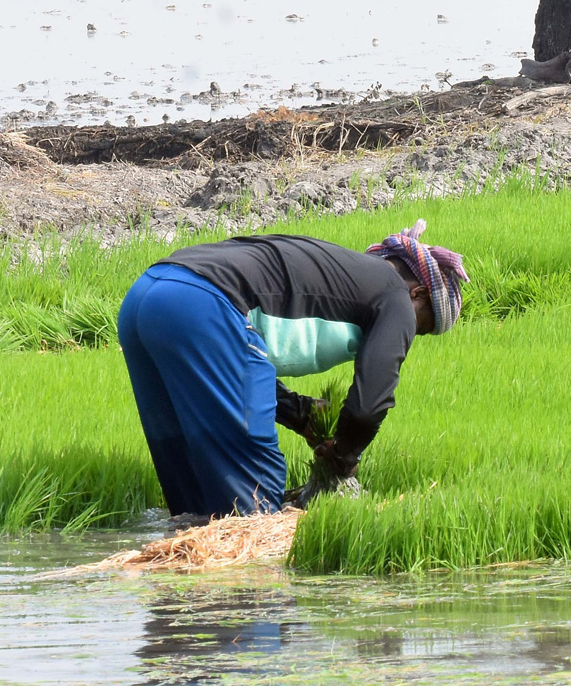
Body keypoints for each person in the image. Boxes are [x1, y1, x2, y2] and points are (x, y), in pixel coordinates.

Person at [117, 220, 468, 518]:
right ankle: (255, 594)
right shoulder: (395, 295)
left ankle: (186, 592)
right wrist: (343, 455)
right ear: (418, 294)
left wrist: (300, 413)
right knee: (254, 497)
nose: (410, 334)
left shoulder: (342, 271)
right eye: (421, 327)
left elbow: (231, 361)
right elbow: (367, 407)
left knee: (191, 491)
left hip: (147, 295)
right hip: (205, 303)